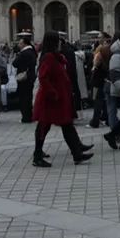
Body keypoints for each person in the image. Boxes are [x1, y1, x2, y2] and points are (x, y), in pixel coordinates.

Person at [32, 32, 94, 167]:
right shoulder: (48, 57)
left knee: (67, 125)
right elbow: (43, 77)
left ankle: (77, 153)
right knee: (44, 127)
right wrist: (53, 93)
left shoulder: (54, 57)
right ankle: (37, 156)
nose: (61, 43)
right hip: (50, 100)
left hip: (58, 100)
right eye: (58, 41)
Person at [13, 36, 37, 123]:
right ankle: (30, 115)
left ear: (25, 44)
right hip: (31, 76)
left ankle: (25, 117)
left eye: (20, 43)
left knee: (23, 98)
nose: (19, 45)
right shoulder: (32, 52)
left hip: (24, 78)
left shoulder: (23, 53)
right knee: (29, 97)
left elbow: (14, 63)